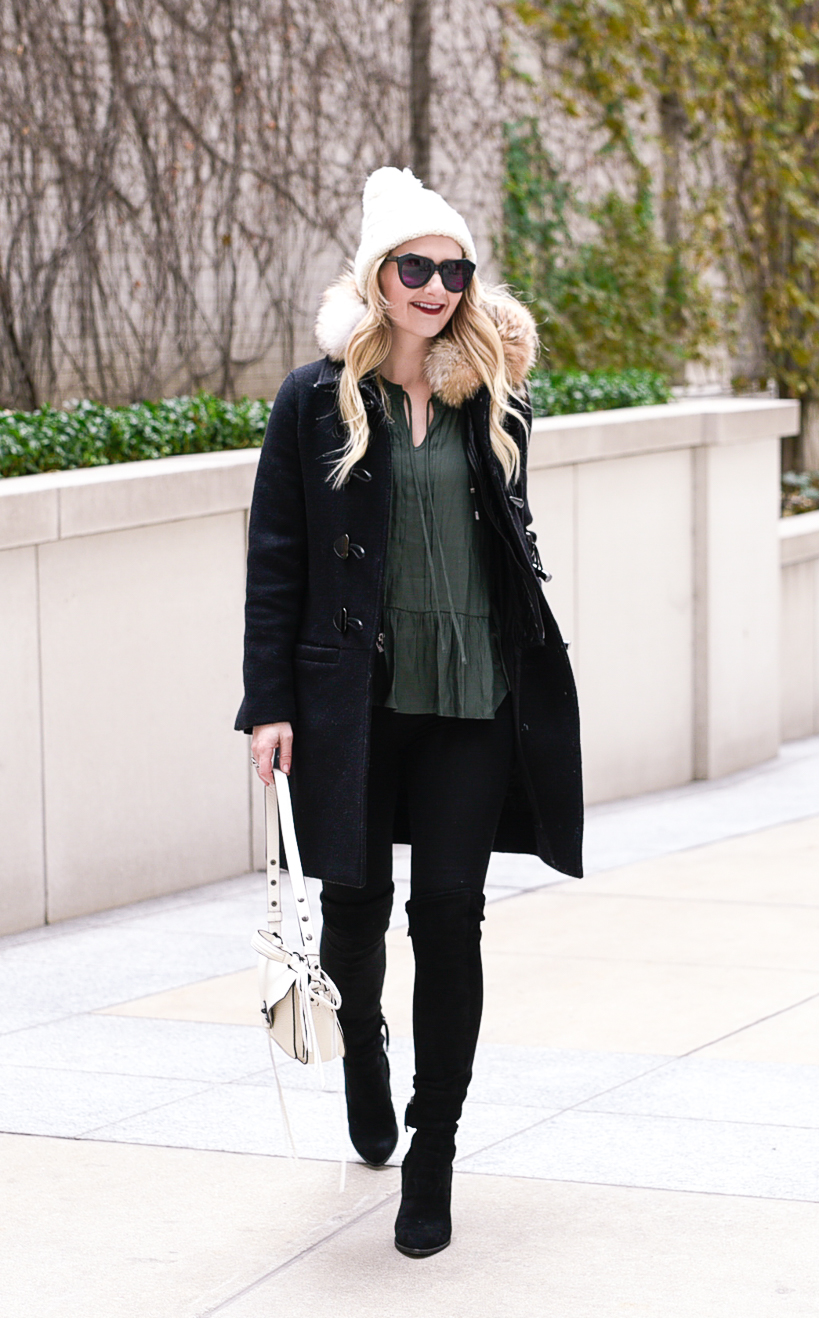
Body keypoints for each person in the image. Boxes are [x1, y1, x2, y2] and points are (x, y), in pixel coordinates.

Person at [235, 166, 583, 1259]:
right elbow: (277, 560)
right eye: (416, 267)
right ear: (378, 277)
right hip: (358, 696)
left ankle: (432, 1155)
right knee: (354, 905)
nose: (436, 287)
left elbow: (506, 544)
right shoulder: (313, 400)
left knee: (449, 916)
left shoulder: (496, 394)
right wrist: (268, 704)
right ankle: (368, 1054)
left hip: (474, 693)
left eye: (454, 270)